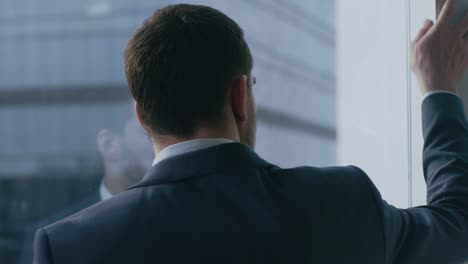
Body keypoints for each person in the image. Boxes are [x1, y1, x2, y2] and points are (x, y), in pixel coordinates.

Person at [33, 1, 468, 263]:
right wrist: (440, 89)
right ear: (241, 95)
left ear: (143, 116)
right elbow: (457, 224)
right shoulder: (341, 202)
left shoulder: (71, 246)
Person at [19, 101, 153, 264]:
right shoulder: (53, 242)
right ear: (109, 145)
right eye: (148, 135)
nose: (160, 142)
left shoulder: (178, 221)